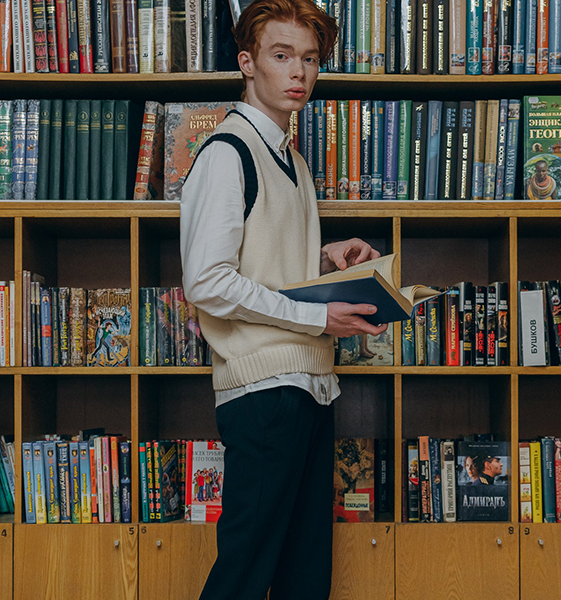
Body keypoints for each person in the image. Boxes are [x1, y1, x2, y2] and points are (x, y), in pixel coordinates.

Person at [179, 0, 386, 598]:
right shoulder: (227, 153)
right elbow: (209, 282)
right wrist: (319, 314)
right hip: (266, 393)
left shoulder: (291, 160)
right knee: (245, 573)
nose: (299, 72)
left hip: (312, 385)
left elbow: (261, 264)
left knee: (304, 575)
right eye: (281, 55)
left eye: (310, 58)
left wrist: (324, 258)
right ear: (247, 62)